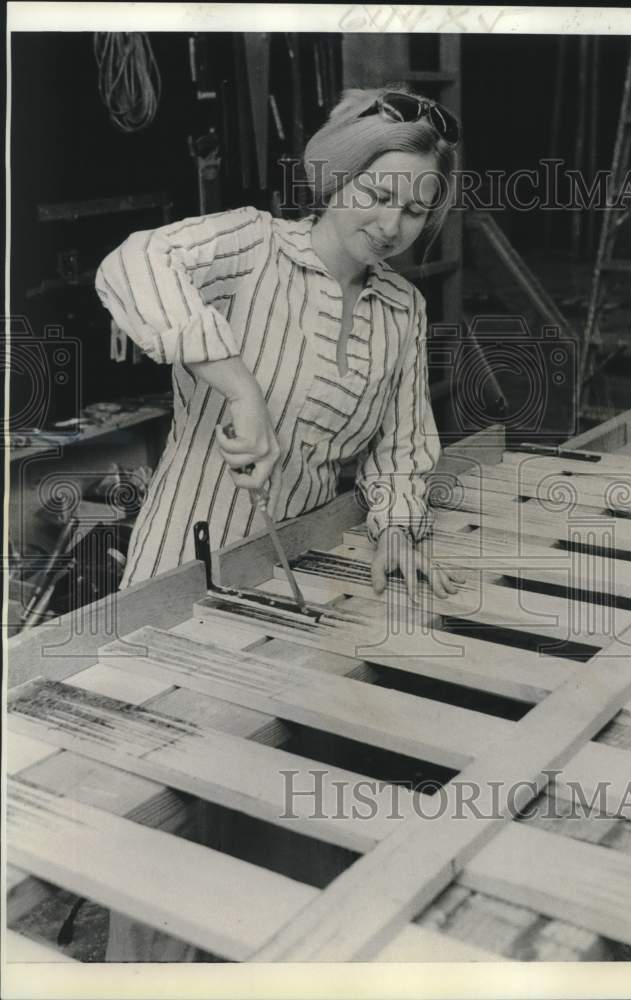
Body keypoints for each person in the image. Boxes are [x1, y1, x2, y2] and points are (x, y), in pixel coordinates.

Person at [95, 86, 465, 960]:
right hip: (183, 569)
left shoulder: (401, 311)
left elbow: (403, 436)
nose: (392, 222)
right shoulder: (251, 246)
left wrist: (398, 525)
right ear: (335, 180)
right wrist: (240, 386)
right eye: (377, 194)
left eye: (416, 209)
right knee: (154, 795)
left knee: (259, 774)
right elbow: (129, 264)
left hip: (292, 572)